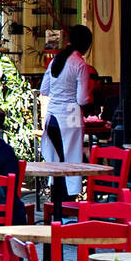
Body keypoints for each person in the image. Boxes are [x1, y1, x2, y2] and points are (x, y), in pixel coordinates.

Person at [39, 24, 94, 207]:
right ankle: (67, 209)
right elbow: (83, 98)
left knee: (56, 163)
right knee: (70, 163)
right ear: (86, 44)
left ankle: (55, 208)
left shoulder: (56, 60)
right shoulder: (80, 64)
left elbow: (44, 89)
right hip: (70, 117)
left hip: (52, 118)